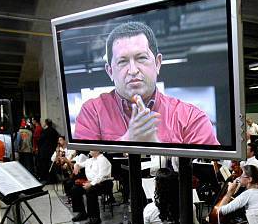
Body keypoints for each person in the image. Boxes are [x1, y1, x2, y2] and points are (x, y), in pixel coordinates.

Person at [74, 21, 219, 145]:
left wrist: (159, 149)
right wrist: (127, 140)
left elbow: (210, 171)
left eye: (141, 58)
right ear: (110, 71)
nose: (132, 70)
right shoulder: (92, 112)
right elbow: (82, 169)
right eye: (122, 61)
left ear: (157, 63)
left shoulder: (191, 118)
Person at [70, 150, 112, 224]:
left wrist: (91, 184)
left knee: (90, 191)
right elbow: (80, 164)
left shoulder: (103, 160)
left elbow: (101, 175)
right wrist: (76, 165)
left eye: (91, 149)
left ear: (97, 151)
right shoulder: (90, 160)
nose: (89, 151)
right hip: (91, 182)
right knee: (75, 189)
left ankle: (95, 217)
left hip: (103, 183)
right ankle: (82, 213)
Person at [37, 119, 59, 183]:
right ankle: (52, 179)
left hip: (44, 151)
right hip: (52, 151)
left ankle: (45, 179)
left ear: (46, 123)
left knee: (44, 165)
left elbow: (40, 141)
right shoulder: (55, 131)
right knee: (51, 165)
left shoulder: (44, 131)